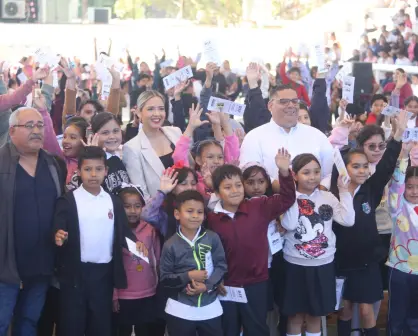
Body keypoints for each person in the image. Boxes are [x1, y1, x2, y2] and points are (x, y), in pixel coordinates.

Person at [53, 146, 143, 336]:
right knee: (72, 323)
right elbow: (58, 228)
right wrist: (58, 235)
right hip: (75, 274)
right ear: (78, 172)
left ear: (106, 171)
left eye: (99, 169)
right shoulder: (68, 201)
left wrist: (137, 245)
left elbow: (123, 232)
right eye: (87, 169)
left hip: (104, 274)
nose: (93, 174)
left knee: (101, 323)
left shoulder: (113, 201)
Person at [332, 112, 408, 336]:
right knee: (344, 310)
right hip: (342, 261)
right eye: (356, 167)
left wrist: (398, 134)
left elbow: (386, 164)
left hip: (367, 262)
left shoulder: (371, 189)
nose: (362, 171)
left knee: (367, 311)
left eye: (365, 167)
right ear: (345, 168)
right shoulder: (334, 193)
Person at [208, 149, 296, 336]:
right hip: (226, 285)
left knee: (256, 328)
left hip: (256, 283)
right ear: (217, 192)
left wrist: (284, 173)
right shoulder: (211, 219)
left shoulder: (259, 206)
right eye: (228, 187)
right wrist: (216, 279)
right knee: (229, 329)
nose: (235, 191)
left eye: (238, 185)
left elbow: (287, 199)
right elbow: (208, 254)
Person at [0, 107, 65, 336]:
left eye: (39, 126)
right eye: (29, 126)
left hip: (42, 263)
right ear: (12, 131)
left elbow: (60, 207)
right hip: (6, 264)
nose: (36, 131)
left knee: (29, 321)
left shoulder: (52, 164)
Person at [281, 153, 355, 336]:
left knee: (316, 315)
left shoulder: (327, 197)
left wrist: (344, 191)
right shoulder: (287, 197)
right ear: (295, 175)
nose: (312, 176)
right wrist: (290, 192)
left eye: (316, 171)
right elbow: (289, 224)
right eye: (306, 172)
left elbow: (348, 220)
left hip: (323, 266)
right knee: (295, 316)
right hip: (295, 266)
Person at [240, 72, 334, 189]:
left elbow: (330, 172)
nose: (291, 105)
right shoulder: (254, 137)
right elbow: (248, 173)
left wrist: (317, 192)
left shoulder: (317, 135)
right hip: (272, 203)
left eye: (295, 101)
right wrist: (285, 191)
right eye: (284, 102)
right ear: (270, 106)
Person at [160, 190, 227, 336]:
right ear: (177, 214)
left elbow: (221, 266)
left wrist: (207, 286)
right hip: (180, 309)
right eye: (190, 211)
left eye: (200, 212)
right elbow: (165, 279)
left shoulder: (212, 238)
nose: (195, 216)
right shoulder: (170, 245)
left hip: (210, 307)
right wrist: (188, 275)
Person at [112, 184, 163, 336]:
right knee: (123, 331)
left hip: (148, 293)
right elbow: (111, 266)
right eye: (127, 206)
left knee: (145, 330)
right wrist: (114, 295)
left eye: (137, 206)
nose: (132, 211)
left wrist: (157, 288)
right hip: (123, 295)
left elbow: (157, 260)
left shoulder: (150, 230)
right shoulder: (114, 231)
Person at [123, 90, 185, 199]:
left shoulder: (175, 132)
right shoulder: (132, 148)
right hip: (160, 210)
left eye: (161, 109)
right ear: (138, 112)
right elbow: (142, 194)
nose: (157, 114)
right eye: (150, 109)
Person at [386, 141, 418, 335]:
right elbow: (397, 184)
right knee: (396, 318)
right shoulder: (397, 208)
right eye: (410, 187)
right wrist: (403, 157)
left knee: (415, 320)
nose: (414, 191)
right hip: (400, 270)